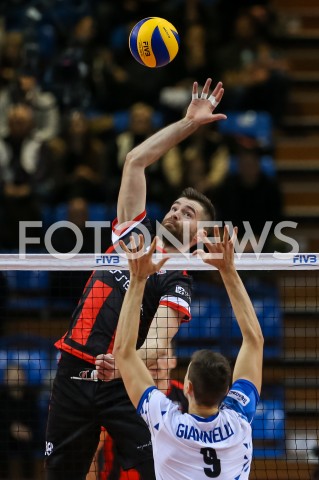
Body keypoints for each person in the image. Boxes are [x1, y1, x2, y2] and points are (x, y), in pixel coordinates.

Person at [44, 78, 227, 480]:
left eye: (189, 213)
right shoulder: (135, 237)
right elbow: (135, 161)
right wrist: (188, 124)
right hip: (73, 372)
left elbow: (159, 340)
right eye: (176, 206)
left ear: (198, 236)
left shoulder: (179, 278)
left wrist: (125, 362)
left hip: (124, 383)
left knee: (153, 472)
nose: (177, 212)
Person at [113, 226, 263, 479]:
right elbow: (254, 340)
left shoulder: (167, 423)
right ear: (228, 392)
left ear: (188, 388)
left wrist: (138, 279)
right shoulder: (239, 421)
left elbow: (123, 353)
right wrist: (228, 270)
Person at [88, 344, 188, 480]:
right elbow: (90, 451)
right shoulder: (116, 398)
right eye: (151, 354)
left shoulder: (186, 397)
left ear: (173, 361)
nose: (156, 361)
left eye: (163, 355)